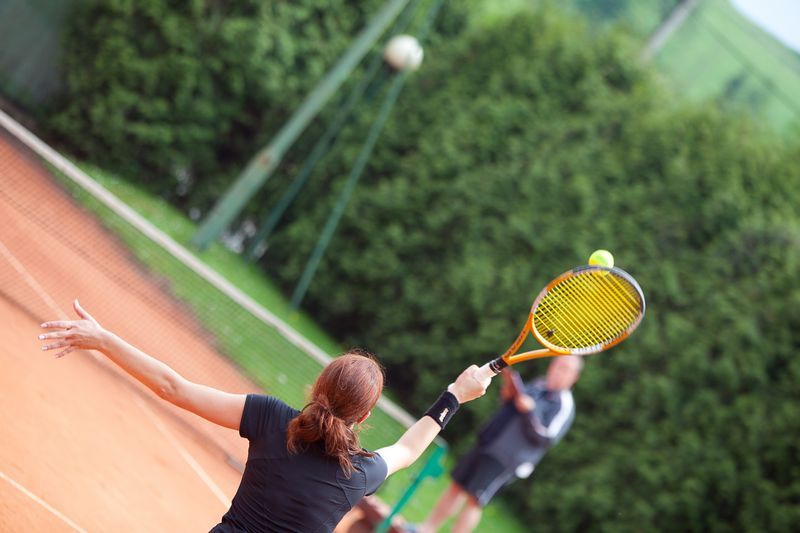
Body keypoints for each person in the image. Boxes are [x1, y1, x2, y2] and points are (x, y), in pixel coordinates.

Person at [38, 300, 491, 532]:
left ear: (319, 384)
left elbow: (172, 387)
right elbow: (409, 449)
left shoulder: (269, 418)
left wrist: (102, 339)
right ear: (367, 414)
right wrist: (454, 394)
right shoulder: (361, 474)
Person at [414, 355, 583, 533]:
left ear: (574, 377)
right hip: (489, 440)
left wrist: (529, 411)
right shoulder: (538, 385)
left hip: (507, 458)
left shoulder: (564, 404)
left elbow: (547, 437)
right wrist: (509, 395)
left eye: (564, 368)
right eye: (557, 365)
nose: (557, 371)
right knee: (457, 486)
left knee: (475, 500)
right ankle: (425, 529)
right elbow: (512, 407)